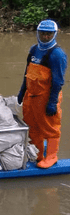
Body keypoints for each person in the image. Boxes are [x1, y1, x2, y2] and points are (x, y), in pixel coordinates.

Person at [18, 20, 67, 169]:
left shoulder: (57, 55)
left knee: (50, 128)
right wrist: (22, 91)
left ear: (54, 34)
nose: (45, 36)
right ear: (37, 33)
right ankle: (37, 154)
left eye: (49, 34)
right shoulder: (34, 50)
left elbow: (58, 81)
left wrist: (52, 102)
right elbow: (27, 72)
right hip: (31, 95)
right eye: (42, 33)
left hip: (46, 96)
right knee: (31, 125)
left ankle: (52, 156)